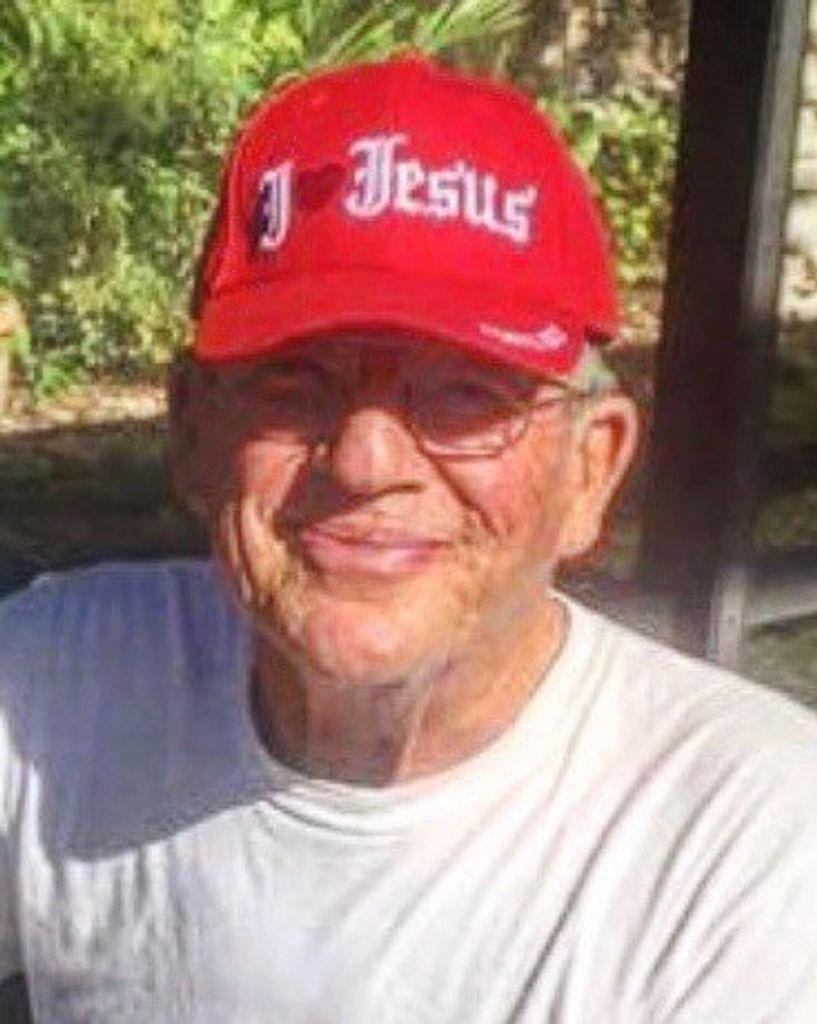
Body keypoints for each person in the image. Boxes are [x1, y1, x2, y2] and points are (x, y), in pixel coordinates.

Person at [1, 55, 816, 1023]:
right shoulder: (53, 687)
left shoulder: (751, 852)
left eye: (465, 393)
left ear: (589, 469)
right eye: (295, 379)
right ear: (190, 429)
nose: (364, 459)